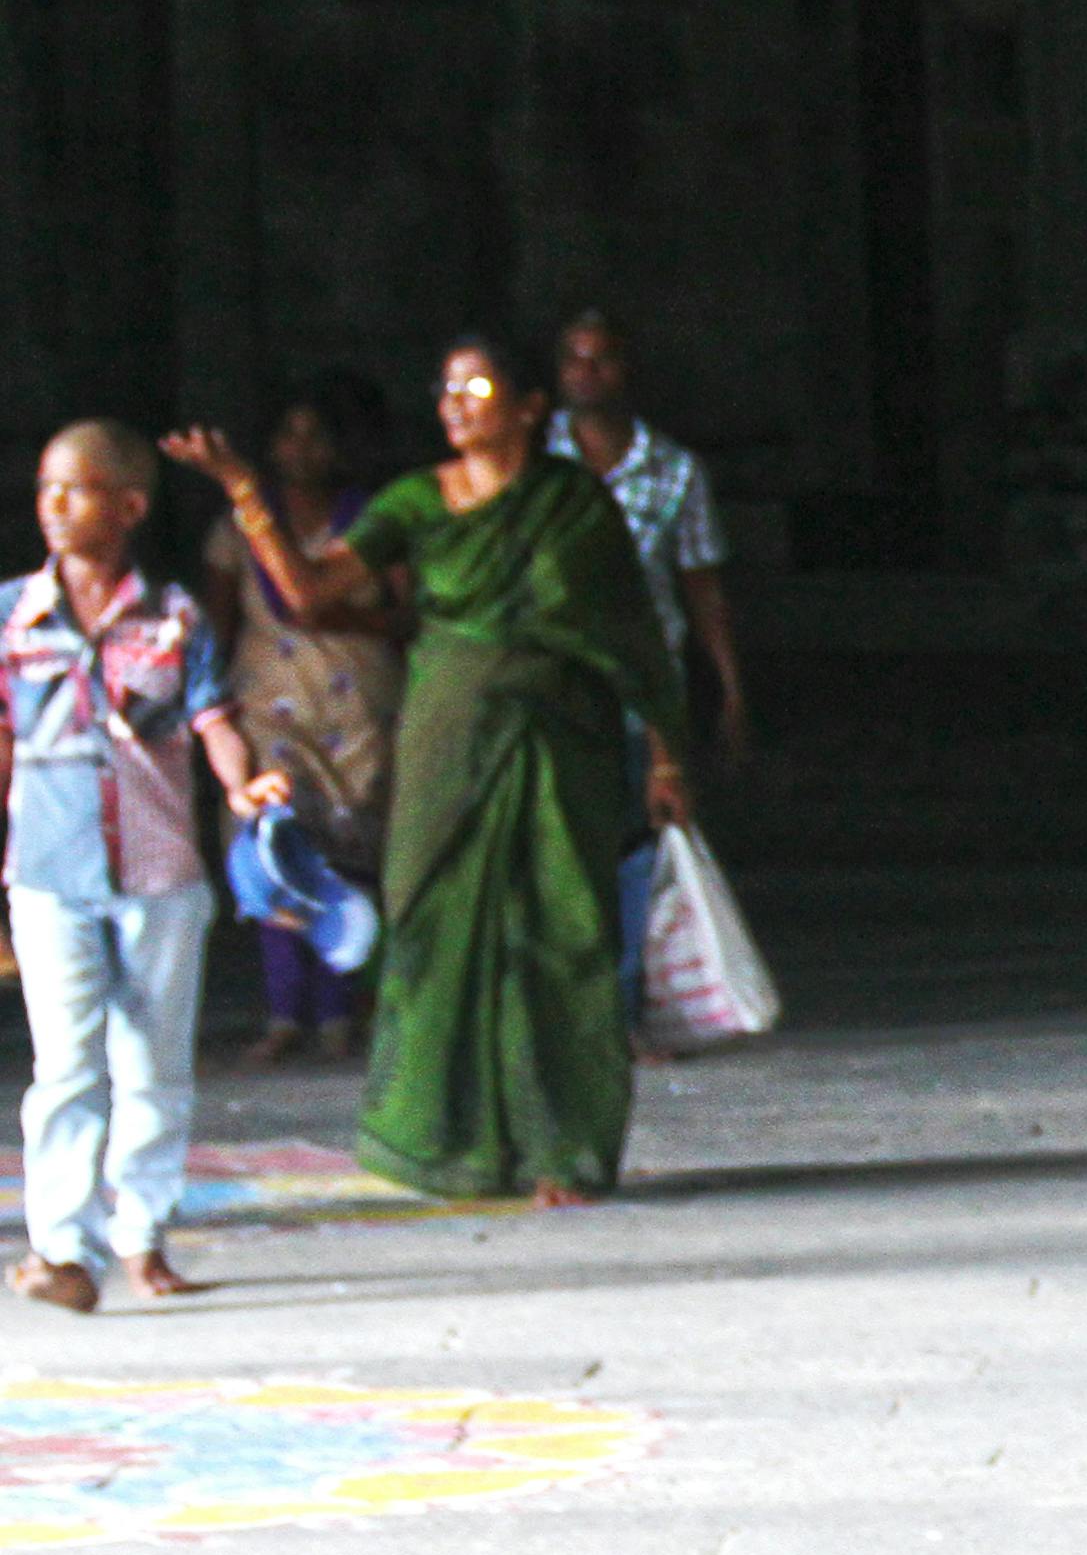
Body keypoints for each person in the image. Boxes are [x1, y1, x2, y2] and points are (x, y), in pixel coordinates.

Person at [168, 337, 691, 1211]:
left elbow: (632, 631)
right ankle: (452, 1146)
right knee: (431, 922)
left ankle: (562, 1149)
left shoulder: (574, 503)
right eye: (446, 389)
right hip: (449, 728)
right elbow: (308, 592)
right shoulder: (416, 499)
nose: (456, 403)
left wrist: (668, 752)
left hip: (562, 735)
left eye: (477, 386)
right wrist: (244, 493)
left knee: (562, 933)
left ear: (529, 407)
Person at [5, 424, 292, 1311]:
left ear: (129, 507)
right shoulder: (14, 615)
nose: (56, 505)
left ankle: (142, 1236)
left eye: (79, 490)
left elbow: (212, 719)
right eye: (49, 488)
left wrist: (244, 786)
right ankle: (62, 1249)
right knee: (66, 1067)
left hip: (160, 873)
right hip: (50, 872)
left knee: (155, 1065)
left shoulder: (173, 617)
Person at [192, 376, 409, 1066]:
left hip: (359, 710)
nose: (302, 449)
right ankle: (286, 1012)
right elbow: (214, 628)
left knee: (351, 857)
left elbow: (414, 616)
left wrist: (344, 617)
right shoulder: (235, 531)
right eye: (289, 434)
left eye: (318, 435)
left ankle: (342, 1010)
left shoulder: (376, 522)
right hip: (270, 710)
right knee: (274, 851)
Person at [550, 311, 746, 1032]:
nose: (586, 372)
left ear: (627, 370)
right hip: (556, 687)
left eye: (601, 360)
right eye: (574, 359)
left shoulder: (675, 471)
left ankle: (626, 1012)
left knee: (637, 851)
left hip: (642, 693)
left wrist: (727, 688)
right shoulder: (531, 461)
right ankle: (569, 1014)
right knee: (562, 851)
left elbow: (702, 587)